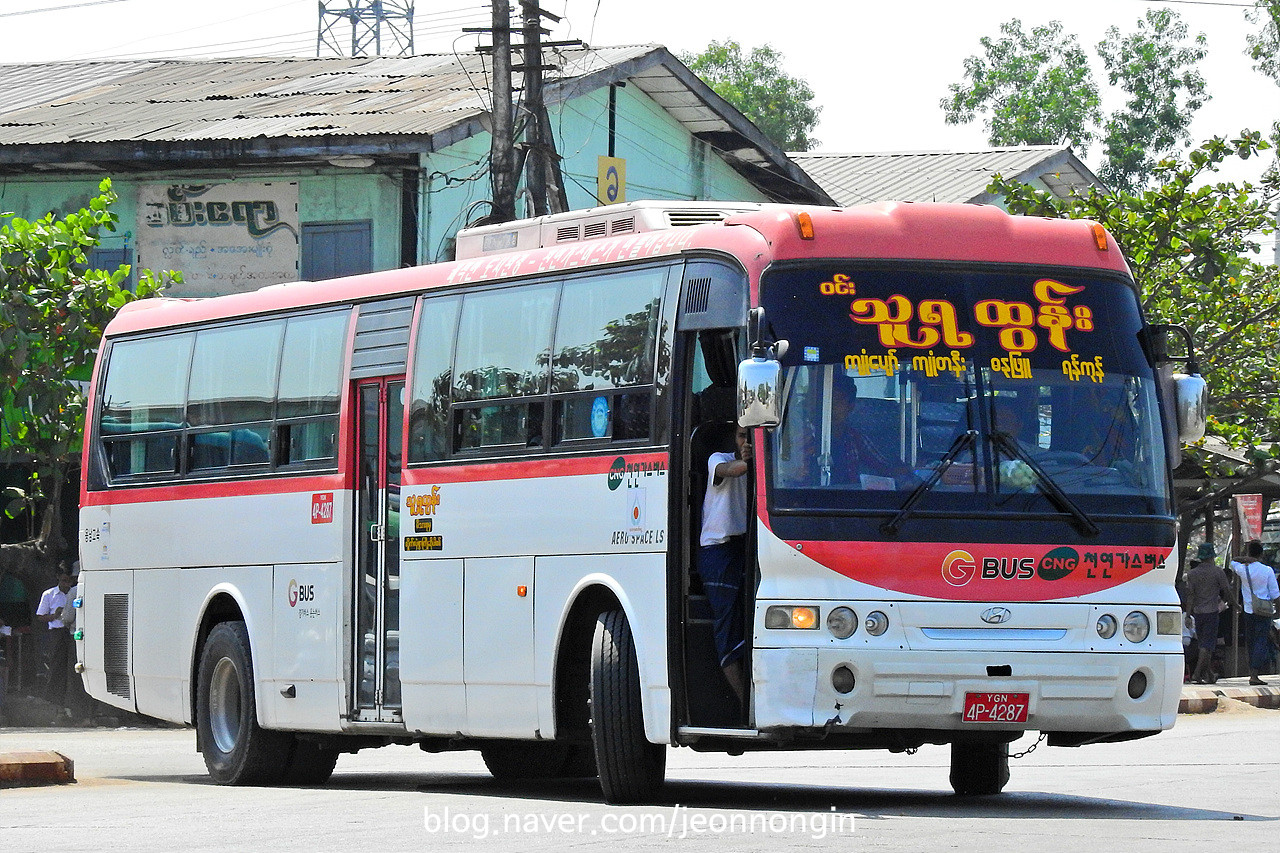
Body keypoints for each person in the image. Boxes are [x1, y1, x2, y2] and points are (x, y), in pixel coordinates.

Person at [698, 423, 752, 705]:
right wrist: (747, 459)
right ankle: (743, 701)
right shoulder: (719, 459)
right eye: (743, 435)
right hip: (717, 550)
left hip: (744, 548)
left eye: (752, 437)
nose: (746, 441)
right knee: (728, 626)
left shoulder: (768, 469)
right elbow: (730, 472)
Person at [1230, 540, 1279, 686]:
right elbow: (1276, 594)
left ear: (1248, 553)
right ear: (1261, 554)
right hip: (1264, 611)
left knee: (1251, 642)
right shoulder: (1267, 571)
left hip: (1249, 611)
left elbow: (1233, 561)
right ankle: (1255, 674)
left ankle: (1252, 671)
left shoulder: (1242, 569)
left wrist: (1246, 559)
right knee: (1261, 641)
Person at [1183, 542, 1232, 684]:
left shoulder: (1192, 574)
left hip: (1198, 613)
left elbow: (1190, 595)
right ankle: (1197, 674)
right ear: (1212, 556)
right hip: (1211, 612)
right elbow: (1227, 590)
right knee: (1207, 645)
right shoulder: (1217, 572)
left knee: (1203, 644)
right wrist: (1235, 604)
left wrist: (1187, 614)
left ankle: (1209, 674)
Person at [35, 568, 75, 706]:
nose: (66, 584)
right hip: (57, 632)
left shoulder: (74, 593)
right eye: (64, 581)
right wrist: (54, 616)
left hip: (71, 632)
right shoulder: (49, 594)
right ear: (58, 578)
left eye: (69, 581)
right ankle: (54, 698)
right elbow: (40, 616)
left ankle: (70, 698)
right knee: (57, 665)